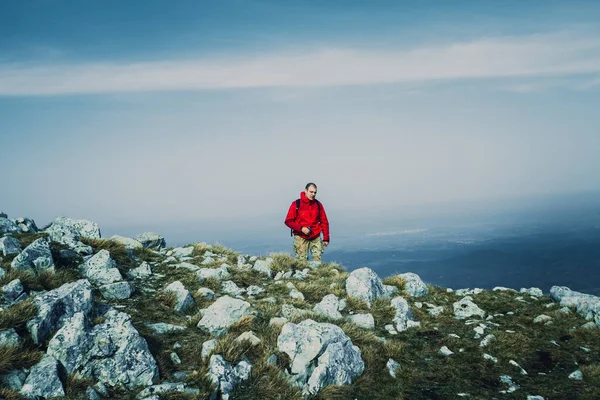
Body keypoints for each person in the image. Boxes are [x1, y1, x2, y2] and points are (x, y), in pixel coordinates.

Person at [284, 182, 330, 261]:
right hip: (300, 236)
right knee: (301, 262)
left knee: (317, 261)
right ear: (305, 191)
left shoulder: (318, 204)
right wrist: (301, 228)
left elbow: (324, 221)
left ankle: (316, 273)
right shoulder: (296, 204)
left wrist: (326, 238)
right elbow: (288, 221)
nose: (313, 194)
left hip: (315, 235)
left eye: (315, 192)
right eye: (311, 192)